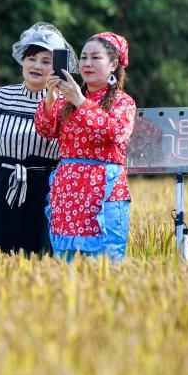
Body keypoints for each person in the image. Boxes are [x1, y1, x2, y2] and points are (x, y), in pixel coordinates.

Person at [0, 22, 78, 256]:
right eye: (31, 58)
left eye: (46, 61)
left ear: (57, 68)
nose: (37, 66)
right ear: (22, 60)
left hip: (46, 189)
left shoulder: (65, 101)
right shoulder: (2, 96)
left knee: (41, 257)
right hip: (5, 185)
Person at [35, 32, 136, 262]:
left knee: (106, 263)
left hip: (104, 189)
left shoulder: (123, 102)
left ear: (113, 64)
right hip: (68, 191)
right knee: (66, 262)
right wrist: (50, 98)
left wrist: (80, 101)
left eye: (95, 58)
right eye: (83, 57)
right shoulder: (65, 100)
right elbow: (45, 130)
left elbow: (113, 133)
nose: (87, 63)